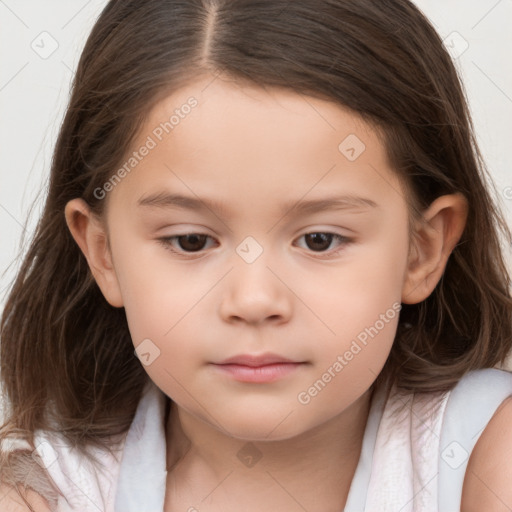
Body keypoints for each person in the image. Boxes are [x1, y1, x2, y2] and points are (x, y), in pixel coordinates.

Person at [1, 0, 512, 510]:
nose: (254, 300)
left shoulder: (482, 453)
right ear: (103, 253)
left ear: (422, 251)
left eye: (320, 240)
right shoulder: (44, 488)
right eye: (191, 241)